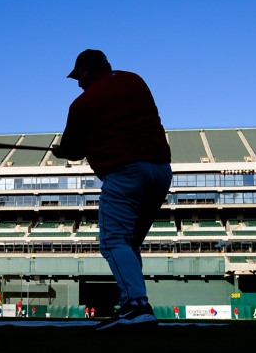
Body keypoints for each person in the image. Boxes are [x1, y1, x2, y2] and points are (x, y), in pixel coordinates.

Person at [53, 49, 172, 330]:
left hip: (125, 171)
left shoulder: (82, 103)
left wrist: (62, 151)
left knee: (113, 240)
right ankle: (133, 303)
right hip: (160, 170)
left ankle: (136, 305)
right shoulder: (135, 80)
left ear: (86, 71)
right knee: (129, 244)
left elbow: (73, 151)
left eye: (78, 77)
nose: (78, 83)